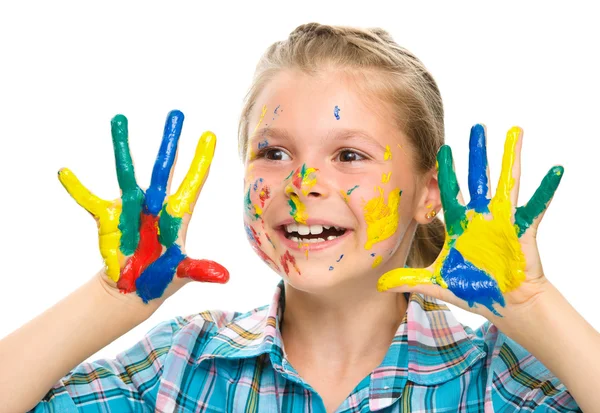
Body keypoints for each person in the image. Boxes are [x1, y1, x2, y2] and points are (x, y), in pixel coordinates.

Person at [0, 22, 597, 412]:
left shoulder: (501, 380)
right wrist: (112, 296)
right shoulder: (184, 365)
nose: (301, 185)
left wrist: (531, 306)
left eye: (349, 155)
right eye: (274, 152)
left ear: (428, 193)